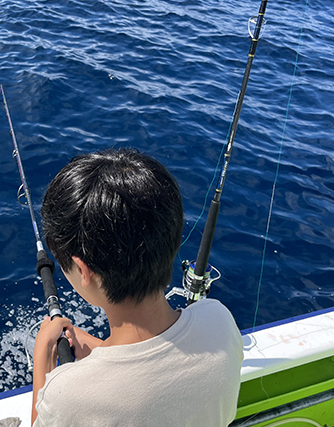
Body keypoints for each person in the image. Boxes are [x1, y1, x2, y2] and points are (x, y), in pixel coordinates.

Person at [31, 148, 243, 427]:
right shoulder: (219, 321)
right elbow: (156, 372)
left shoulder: (68, 396)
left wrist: (44, 359)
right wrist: (99, 350)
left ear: (83, 271)